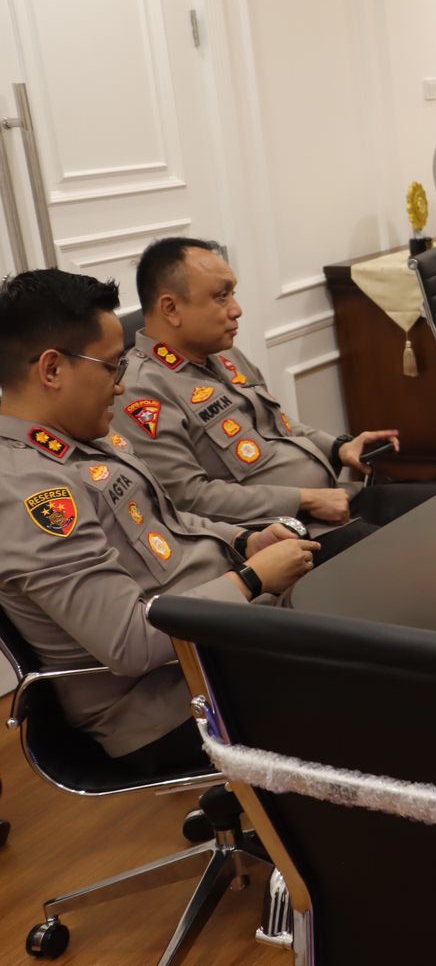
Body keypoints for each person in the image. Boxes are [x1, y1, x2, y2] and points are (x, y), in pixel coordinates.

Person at [0, 270, 318, 772]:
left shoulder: (80, 435)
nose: (122, 383)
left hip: (223, 643)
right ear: (52, 370)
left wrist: (244, 538)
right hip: (169, 702)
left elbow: (171, 520)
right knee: (379, 681)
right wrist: (251, 580)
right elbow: (128, 641)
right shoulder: (28, 494)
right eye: (109, 366)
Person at [115, 238, 436, 564]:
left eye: (232, 293)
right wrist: (305, 499)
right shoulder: (143, 392)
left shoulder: (223, 354)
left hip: (337, 501)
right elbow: (187, 498)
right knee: (412, 556)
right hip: (287, 534)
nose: (236, 309)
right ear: (171, 308)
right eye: (220, 296)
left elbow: (277, 425)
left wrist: (339, 447)